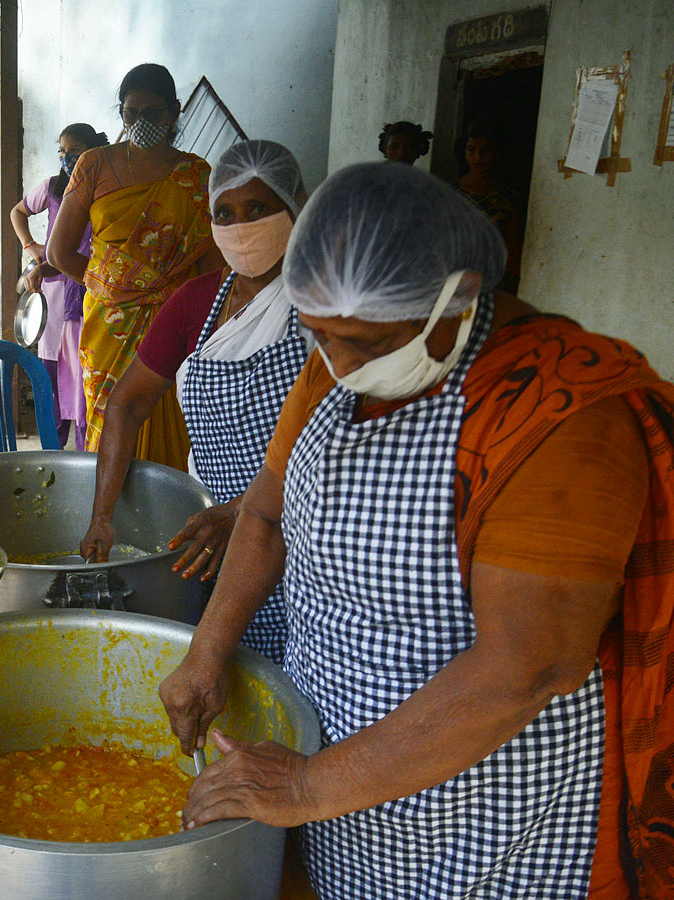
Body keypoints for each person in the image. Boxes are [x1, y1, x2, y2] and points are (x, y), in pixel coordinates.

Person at [159, 161, 674, 899]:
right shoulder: (334, 366)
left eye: (366, 345)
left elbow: (527, 667)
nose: (337, 364)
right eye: (320, 338)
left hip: (486, 812)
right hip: (336, 776)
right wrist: (208, 651)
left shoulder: (563, 416)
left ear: (459, 298)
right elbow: (266, 515)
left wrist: (308, 786)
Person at [81, 140, 312, 663]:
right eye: (225, 213)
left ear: (296, 204)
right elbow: (126, 405)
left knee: (286, 684)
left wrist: (247, 513)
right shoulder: (195, 301)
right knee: (216, 670)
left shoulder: (328, 304)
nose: (242, 226)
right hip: (205, 535)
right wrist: (103, 515)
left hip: (301, 536)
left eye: (258, 208)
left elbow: (342, 444)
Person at [48, 63, 222, 470]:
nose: (141, 121)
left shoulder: (195, 175)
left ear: (175, 111)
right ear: (120, 113)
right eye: (131, 112)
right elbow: (59, 253)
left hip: (175, 321)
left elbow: (210, 263)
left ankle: (168, 520)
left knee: (171, 429)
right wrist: (114, 287)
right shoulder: (93, 164)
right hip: (109, 323)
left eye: (153, 112)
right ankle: (105, 520)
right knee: (109, 424)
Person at [10, 123, 108, 450]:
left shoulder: (104, 188)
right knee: (52, 377)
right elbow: (18, 211)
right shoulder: (53, 188)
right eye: (62, 151)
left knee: (83, 381)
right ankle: (53, 452)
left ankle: (85, 454)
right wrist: (30, 246)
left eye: (75, 152)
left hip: (88, 290)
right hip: (53, 294)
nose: (67, 158)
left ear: (92, 152)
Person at [458, 120, 522, 291]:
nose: (478, 158)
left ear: (496, 152)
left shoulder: (507, 197)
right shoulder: (451, 193)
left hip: (494, 280)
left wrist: (511, 280)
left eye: (485, 151)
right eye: (471, 150)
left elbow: (512, 243)